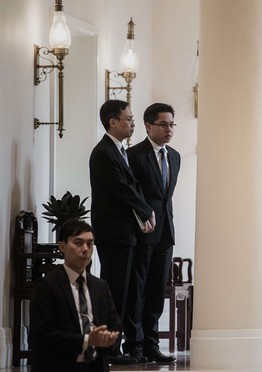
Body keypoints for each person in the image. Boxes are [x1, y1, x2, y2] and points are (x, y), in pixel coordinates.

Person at [89, 99, 156, 365]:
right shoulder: (104, 152)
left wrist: (142, 212)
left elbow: (132, 185)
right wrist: (146, 210)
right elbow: (121, 188)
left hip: (124, 233)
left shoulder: (118, 150)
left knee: (124, 291)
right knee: (115, 291)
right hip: (113, 233)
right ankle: (110, 350)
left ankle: (115, 348)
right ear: (112, 121)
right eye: (128, 118)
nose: (132, 123)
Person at [123, 103, 181, 364]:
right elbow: (131, 194)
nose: (169, 130)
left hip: (165, 233)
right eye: (163, 124)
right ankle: (133, 345)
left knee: (157, 290)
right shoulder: (133, 155)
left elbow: (166, 197)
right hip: (141, 232)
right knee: (138, 290)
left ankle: (152, 344)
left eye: (171, 124)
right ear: (148, 126)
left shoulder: (175, 156)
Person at [30, 220, 121, 372]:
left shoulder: (101, 286)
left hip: (95, 366)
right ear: (62, 246)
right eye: (78, 243)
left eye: (90, 244)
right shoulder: (46, 285)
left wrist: (107, 337)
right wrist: (87, 340)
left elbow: (115, 324)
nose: (85, 249)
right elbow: (41, 335)